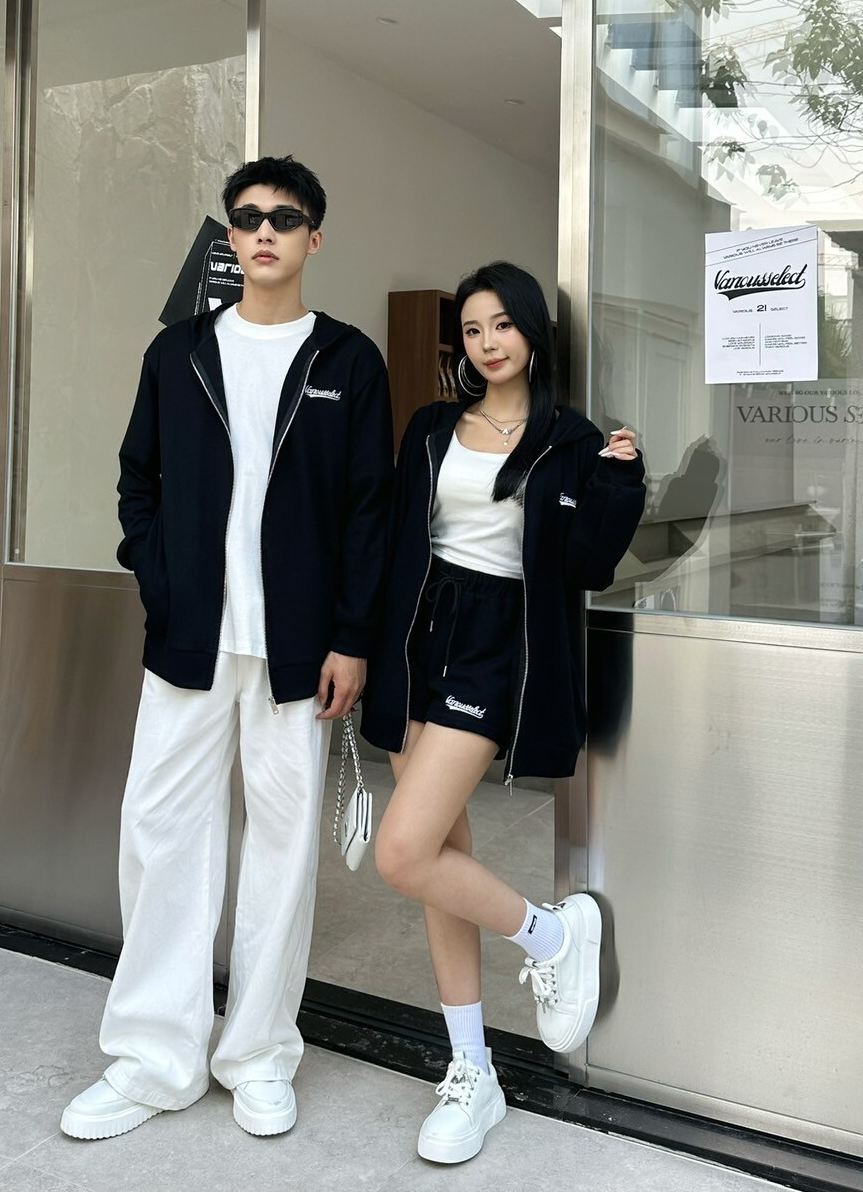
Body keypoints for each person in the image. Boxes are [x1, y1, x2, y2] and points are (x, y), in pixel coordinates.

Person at [62, 156, 393, 1142]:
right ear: (232, 234)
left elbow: (370, 512)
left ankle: (257, 1054)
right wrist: (158, 578)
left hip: (297, 650)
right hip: (191, 641)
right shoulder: (179, 353)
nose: (264, 233)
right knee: (160, 834)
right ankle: (153, 1057)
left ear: (313, 238)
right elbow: (138, 479)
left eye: (284, 218)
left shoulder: (348, 361)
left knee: (281, 853)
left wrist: (351, 636)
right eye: (248, 218)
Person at [362, 260, 644, 1165]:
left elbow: (589, 564)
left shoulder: (571, 438)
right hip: (418, 632)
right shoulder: (432, 425)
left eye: (502, 326)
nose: (487, 344)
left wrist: (620, 483)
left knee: (403, 852)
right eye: (473, 330)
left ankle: (552, 935)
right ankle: (472, 1069)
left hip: (496, 642)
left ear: (532, 331)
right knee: (438, 856)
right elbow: (396, 539)